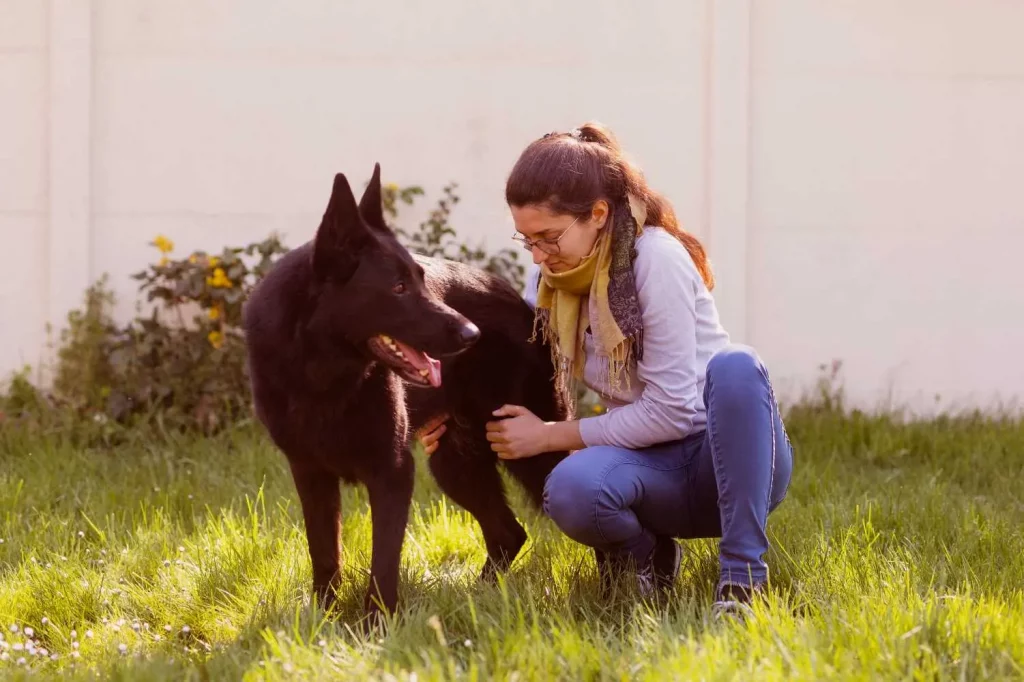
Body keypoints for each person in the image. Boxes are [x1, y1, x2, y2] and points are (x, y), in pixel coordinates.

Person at [416, 122, 794, 617]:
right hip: (649, 467)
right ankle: (648, 558)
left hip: (725, 464)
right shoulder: (554, 278)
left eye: (548, 237)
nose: (537, 254)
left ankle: (742, 578)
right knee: (570, 490)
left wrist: (550, 435)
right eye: (526, 239)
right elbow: (514, 362)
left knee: (737, 367)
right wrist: (446, 411)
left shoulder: (655, 259)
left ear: (597, 214)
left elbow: (675, 412)